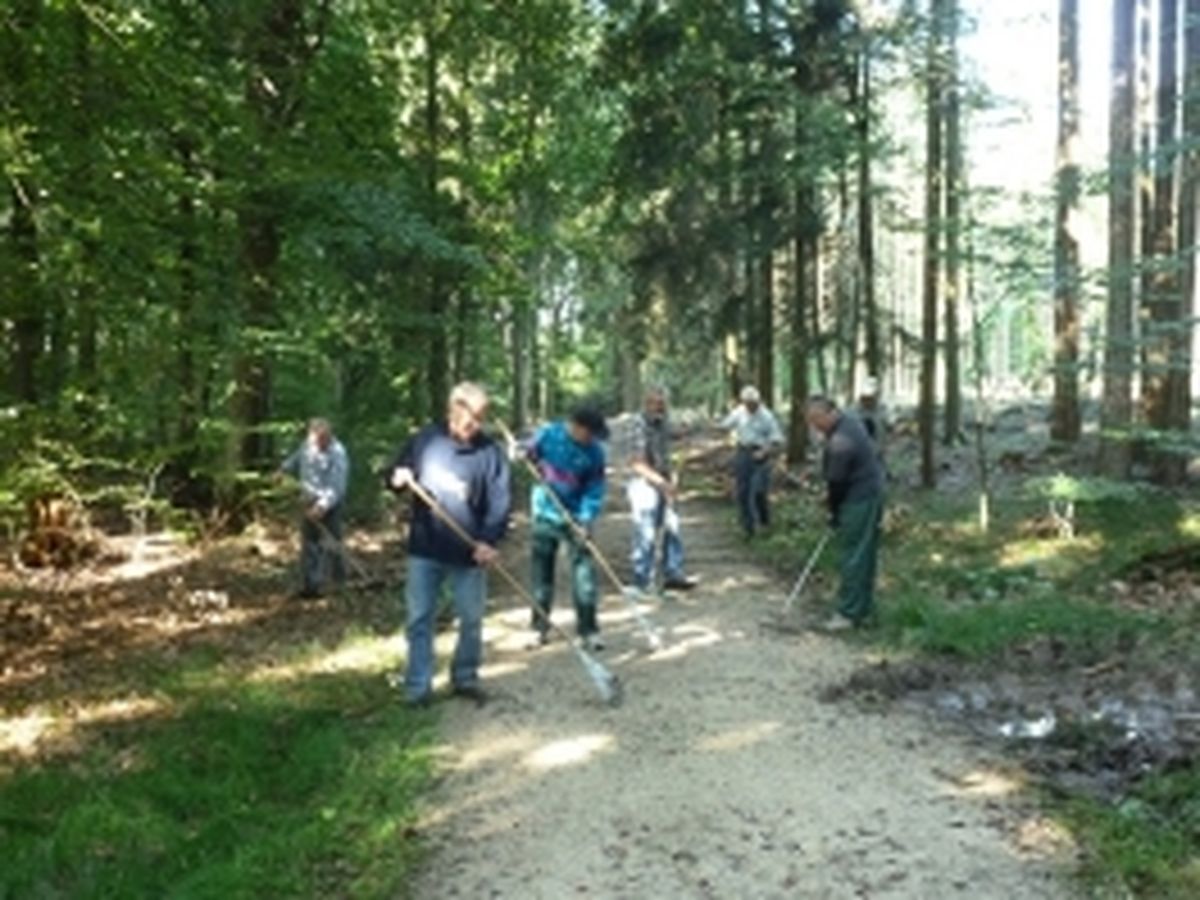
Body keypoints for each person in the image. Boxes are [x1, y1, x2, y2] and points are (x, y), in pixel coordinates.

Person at [383, 382, 511, 707]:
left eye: (482, 419)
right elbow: (395, 475)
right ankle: (418, 688)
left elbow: (499, 503)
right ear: (455, 410)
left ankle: (465, 677)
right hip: (425, 548)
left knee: (471, 618)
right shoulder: (426, 440)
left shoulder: (490, 453)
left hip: (469, 554)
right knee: (419, 618)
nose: (476, 426)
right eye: (472, 418)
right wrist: (396, 478)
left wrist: (488, 540)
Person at [526, 405, 609, 650]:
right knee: (541, 574)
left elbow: (595, 488)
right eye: (589, 432)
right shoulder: (548, 435)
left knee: (584, 575)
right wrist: (526, 456)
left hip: (576, 517)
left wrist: (585, 518)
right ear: (577, 426)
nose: (591, 438)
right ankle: (538, 628)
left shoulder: (595, 452)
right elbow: (528, 454)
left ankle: (589, 630)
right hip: (545, 513)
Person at [805, 395, 885, 631]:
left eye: (816, 420)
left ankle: (848, 614)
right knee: (863, 553)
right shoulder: (848, 421)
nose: (814, 426)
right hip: (866, 490)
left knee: (854, 555)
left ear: (829, 414)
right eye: (810, 421)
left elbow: (836, 484)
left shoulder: (841, 441)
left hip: (859, 498)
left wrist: (833, 512)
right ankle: (863, 609)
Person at [627, 386, 698, 593]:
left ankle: (673, 573)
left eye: (663, 405)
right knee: (646, 531)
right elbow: (637, 462)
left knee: (672, 526)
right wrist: (662, 483)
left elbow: (675, 435)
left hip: (664, 479)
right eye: (656, 404)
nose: (660, 408)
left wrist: (685, 432)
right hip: (643, 482)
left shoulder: (663, 422)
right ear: (647, 404)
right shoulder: (638, 425)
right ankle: (642, 580)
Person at [279, 418, 349, 599]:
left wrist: (322, 506)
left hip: (329, 504)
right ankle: (311, 585)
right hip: (307, 500)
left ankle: (338, 583)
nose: (316, 444)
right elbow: (296, 458)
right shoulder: (308, 444)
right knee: (309, 543)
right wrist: (283, 470)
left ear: (328, 437)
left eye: (320, 440)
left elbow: (337, 486)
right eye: (314, 439)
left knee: (332, 542)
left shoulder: (338, 453)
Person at [719, 385, 785, 538]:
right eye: (747, 403)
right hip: (743, 453)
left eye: (753, 404)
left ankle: (764, 522)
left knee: (758, 491)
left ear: (758, 401)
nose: (750, 407)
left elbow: (777, 439)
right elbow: (725, 425)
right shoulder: (739, 412)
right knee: (742, 491)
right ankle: (747, 527)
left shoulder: (767, 416)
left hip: (761, 455)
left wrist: (765, 451)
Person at [852, 375, 888, 464]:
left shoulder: (881, 410)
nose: (869, 401)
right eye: (866, 398)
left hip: (877, 451)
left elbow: (885, 429)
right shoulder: (853, 413)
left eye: (872, 398)